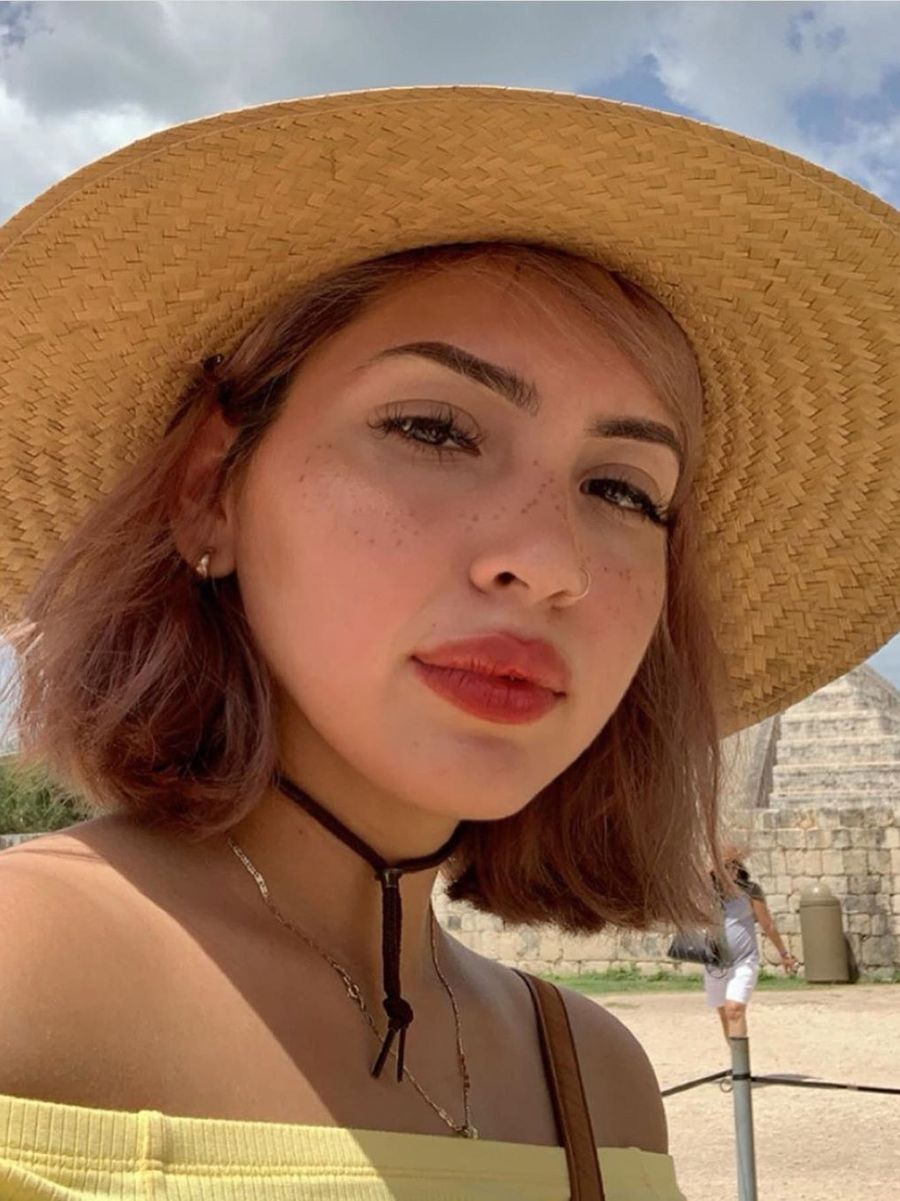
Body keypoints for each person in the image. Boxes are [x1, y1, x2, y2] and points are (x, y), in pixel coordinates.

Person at [0, 87, 896, 1200]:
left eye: (623, 489)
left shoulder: (598, 1080)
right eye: (432, 428)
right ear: (208, 491)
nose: (551, 560)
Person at [705, 844, 799, 1047]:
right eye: (724, 867)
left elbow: (767, 925)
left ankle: (741, 1066)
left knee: (734, 1009)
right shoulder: (707, 892)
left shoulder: (750, 891)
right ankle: (736, 1059)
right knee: (724, 1013)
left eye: (732, 866)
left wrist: (784, 954)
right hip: (715, 962)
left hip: (743, 960)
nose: (729, 871)